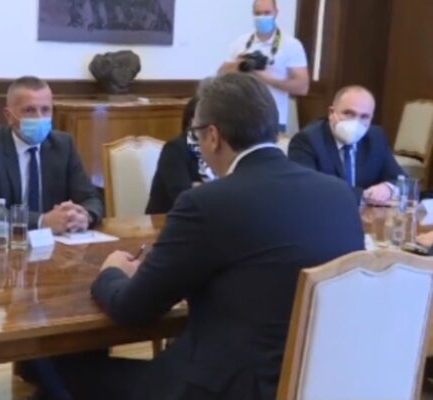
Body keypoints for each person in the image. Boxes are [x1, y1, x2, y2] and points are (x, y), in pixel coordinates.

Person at [40, 74, 365, 400]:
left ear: (212, 136)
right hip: (316, 383)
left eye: (195, 135)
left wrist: (111, 271)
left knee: (53, 367)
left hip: (221, 388)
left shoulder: (208, 203)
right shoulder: (339, 195)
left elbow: (133, 309)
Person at [0, 76, 103, 234]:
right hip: (5, 242)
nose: (39, 118)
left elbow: (91, 198)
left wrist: (84, 216)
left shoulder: (64, 145)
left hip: (57, 243)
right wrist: (41, 221)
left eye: (45, 110)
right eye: (29, 110)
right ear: (9, 116)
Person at [288, 85, 406, 205]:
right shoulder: (307, 140)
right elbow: (306, 187)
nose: (356, 122)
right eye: (349, 114)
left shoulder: (375, 137)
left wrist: (388, 188)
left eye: (364, 117)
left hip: (368, 214)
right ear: (331, 113)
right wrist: (363, 196)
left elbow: (401, 179)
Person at [218, 0, 309, 132]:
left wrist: (267, 78)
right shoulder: (241, 42)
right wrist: (238, 65)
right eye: (258, 13)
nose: (262, 17)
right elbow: (221, 73)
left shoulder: (291, 45)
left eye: (267, 13)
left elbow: (302, 87)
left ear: (276, 13)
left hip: (273, 118)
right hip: (240, 116)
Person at [145, 96, 214, 214]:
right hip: (168, 220)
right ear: (191, 121)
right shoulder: (175, 149)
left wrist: (199, 188)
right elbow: (183, 198)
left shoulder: (220, 148)